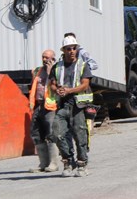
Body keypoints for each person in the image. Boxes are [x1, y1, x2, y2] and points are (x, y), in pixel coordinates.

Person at [51, 35, 94, 177]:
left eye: (74, 48)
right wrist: (56, 89)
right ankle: (68, 162)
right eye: (68, 48)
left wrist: (69, 90)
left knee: (80, 134)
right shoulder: (57, 67)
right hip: (63, 105)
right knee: (58, 133)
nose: (72, 51)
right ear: (63, 50)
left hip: (78, 106)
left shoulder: (83, 65)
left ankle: (82, 164)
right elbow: (52, 83)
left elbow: (85, 84)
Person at [28, 49, 58, 173]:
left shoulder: (56, 71)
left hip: (50, 107)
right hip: (38, 105)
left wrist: (51, 71)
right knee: (36, 133)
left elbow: (57, 86)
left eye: (47, 57)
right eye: (43, 57)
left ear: (53, 59)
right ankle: (43, 163)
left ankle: (53, 163)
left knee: (51, 134)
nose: (45, 60)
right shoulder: (37, 71)